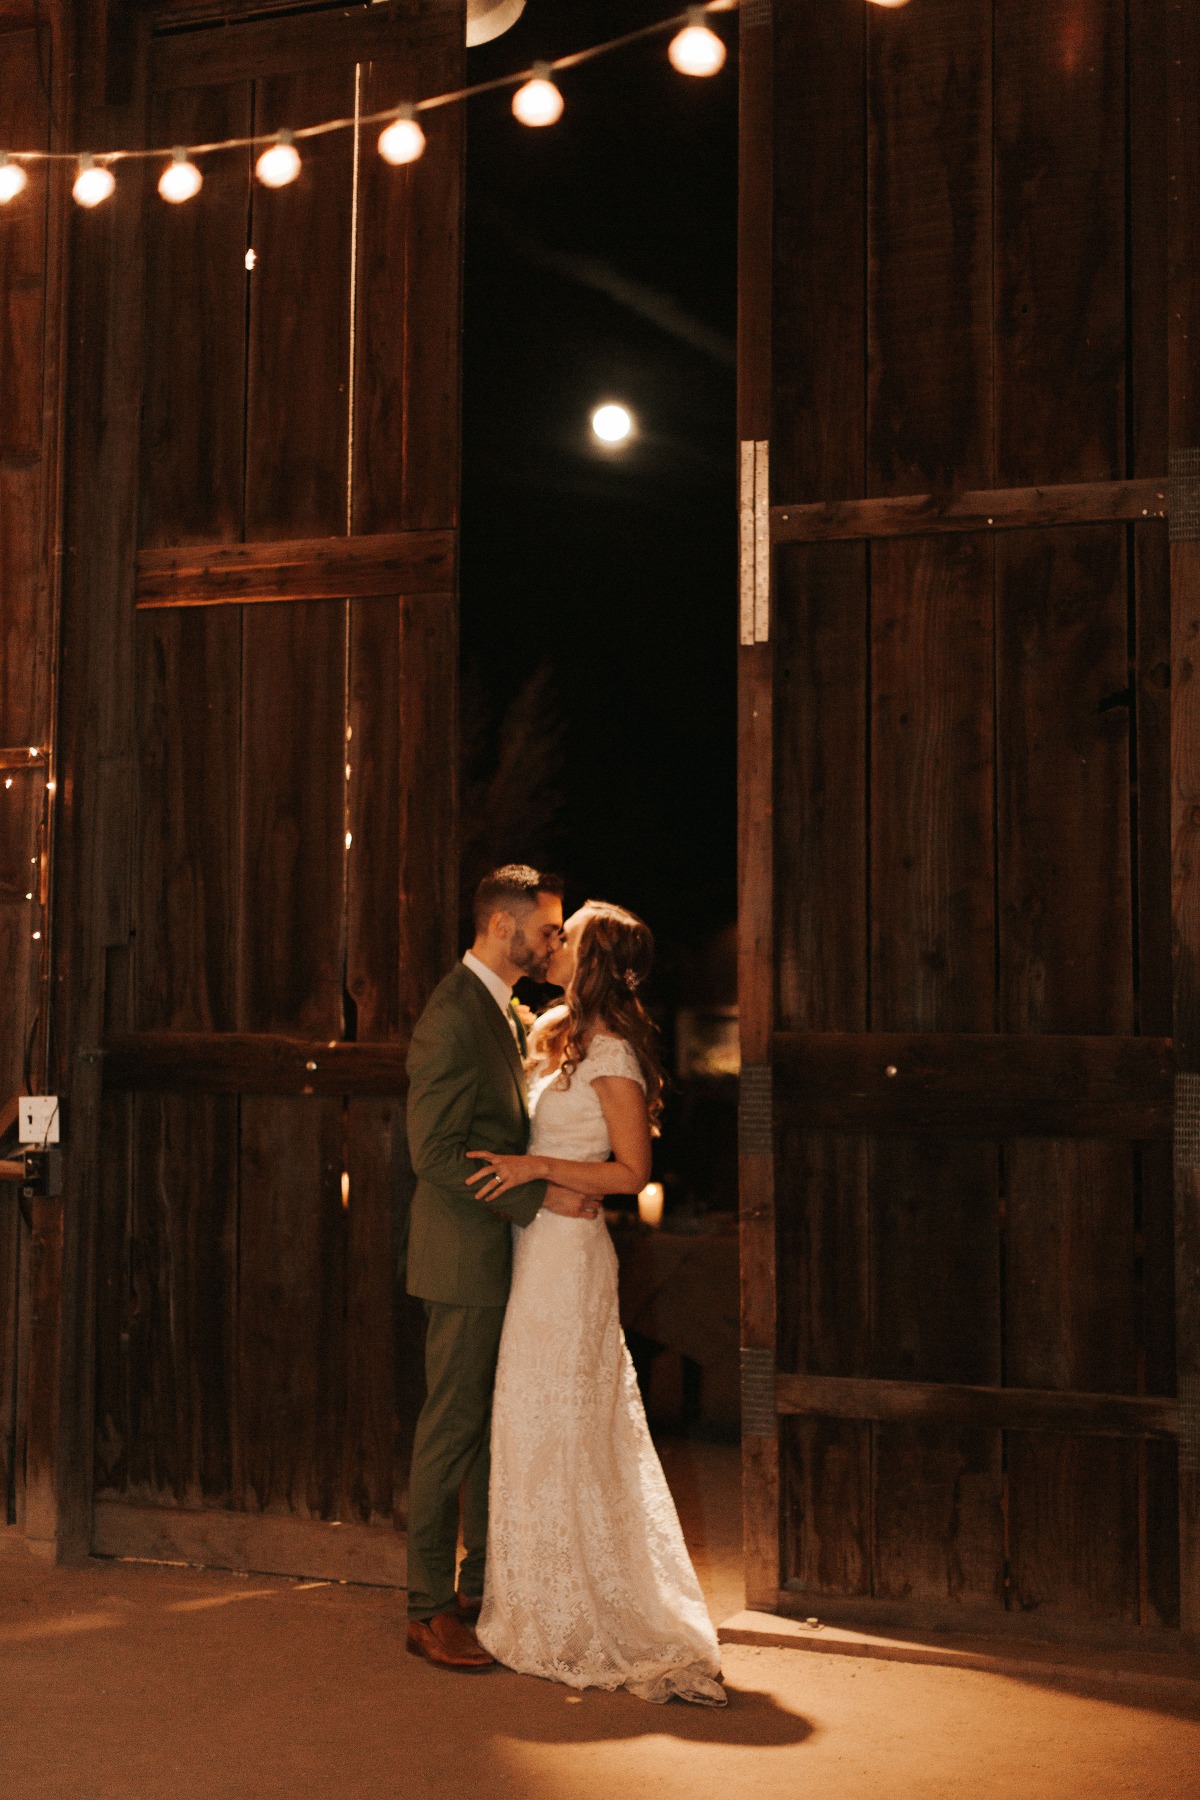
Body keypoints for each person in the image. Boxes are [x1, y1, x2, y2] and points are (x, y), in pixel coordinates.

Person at [466, 901, 726, 1705]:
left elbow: (631, 1172)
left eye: (566, 937)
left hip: (570, 1257)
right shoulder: (558, 1031)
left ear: (594, 961)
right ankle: (532, 1596)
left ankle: (579, 1609)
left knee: (566, 1419)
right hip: (533, 1242)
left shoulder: (612, 1050)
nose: (553, 942)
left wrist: (536, 1168)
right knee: (528, 1413)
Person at [404, 865, 600, 1671]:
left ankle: (480, 1584)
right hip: (463, 1255)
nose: (554, 941)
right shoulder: (452, 1017)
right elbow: (436, 1153)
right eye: (547, 928)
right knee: (449, 1431)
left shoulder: (503, 1011)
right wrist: (539, 1201)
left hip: (504, 1252)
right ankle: (425, 1608)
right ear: (499, 926)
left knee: (491, 1424)